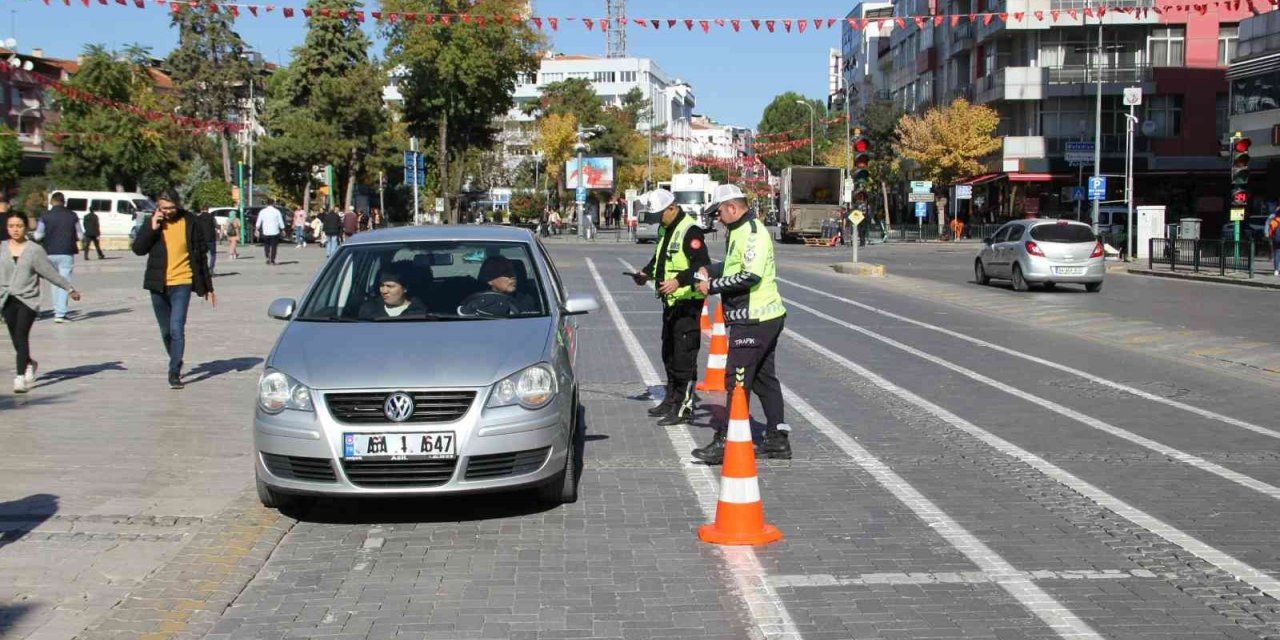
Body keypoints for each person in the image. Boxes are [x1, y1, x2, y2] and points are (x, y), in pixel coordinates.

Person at [692, 183, 790, 465]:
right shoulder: (738, 231)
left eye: (720, 212)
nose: (718, 218)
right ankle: (777, 439)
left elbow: (750, 276)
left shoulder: (753, 234)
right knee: (763, 379)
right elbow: (733, 265)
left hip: (755, 317)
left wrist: (712, 286)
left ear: (733, 208)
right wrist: (709, 270)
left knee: (736, 380)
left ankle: (726, 440)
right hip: (760, 316)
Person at [631, 189, 710, 426]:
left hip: (687, 303)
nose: (657, 220)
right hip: (671, 303)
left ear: (672, 208)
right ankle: (671, 398)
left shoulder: (690, 231)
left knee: (684, 357)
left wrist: (678, 282)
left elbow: (702, 265)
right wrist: (646, 273)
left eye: (659, 215)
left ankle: (683, 407)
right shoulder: (667, 229)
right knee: (669, 354)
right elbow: (661, 259)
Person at [131, 190, 215, 390]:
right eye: (163, 208)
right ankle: (176, 358)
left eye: (171, 208)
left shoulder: (191, 221)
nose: (167, 212)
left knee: (177, 328)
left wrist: (208, 287)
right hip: (158, 284)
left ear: (178, 205)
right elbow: (138, 249)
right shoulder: (153, 221)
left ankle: (174, 371)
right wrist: (152, 228)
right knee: (166, 331)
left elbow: (201, 256)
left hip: (182, 282)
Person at [2, 211, 83, 393]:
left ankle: (20, 377)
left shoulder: (34, 250)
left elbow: (49, 272)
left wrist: (69, 288)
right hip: (6, 299)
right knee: (15, 337)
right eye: (11, 226)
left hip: (27, 299)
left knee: (22, 335)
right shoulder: (1, 248)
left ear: (26, 227)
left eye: (19, 226)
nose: (15, 230)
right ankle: (29, 362)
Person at [41, 193, 80, 323]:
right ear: (64, 202)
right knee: (65, 282)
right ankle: (60, 313)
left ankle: (56, 309)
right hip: (66, 252)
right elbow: (80, 234)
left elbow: (37, 235)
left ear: (52, 202)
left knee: (54, 281)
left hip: (49, 252)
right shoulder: (72, 216)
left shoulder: (44, 216)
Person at [459, 255, 538, 317]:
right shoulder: (473, 302)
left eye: (513, 271)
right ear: (489, 280)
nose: (513, 276)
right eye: (505, 273)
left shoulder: (527, 301)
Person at [358, 270, 427, 319]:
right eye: (382, 286)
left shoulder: (421, 313)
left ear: (405, 288)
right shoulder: (368, 310)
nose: (384, 291)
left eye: (390, 286)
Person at [256, 199, 285, 265]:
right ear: (273, 203)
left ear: (266, 203)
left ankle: (267, 257)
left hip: (266, 231)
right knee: (274, 246)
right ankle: (272, 259)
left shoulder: (262, 211)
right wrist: (283, 229)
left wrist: (257, 229)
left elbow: (259, 221)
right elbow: (280, 221)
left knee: (266, 245)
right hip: (275, 231)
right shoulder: (277, 211)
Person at [196, 208, 218, 274]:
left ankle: (203, 269)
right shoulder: (212, 217)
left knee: (202, 254)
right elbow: (216, 226)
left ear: (201, 210)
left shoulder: (198, 218)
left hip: (201, 239)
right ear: (207, 210)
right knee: (213, 254)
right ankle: (211, 268)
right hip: (211, 238)